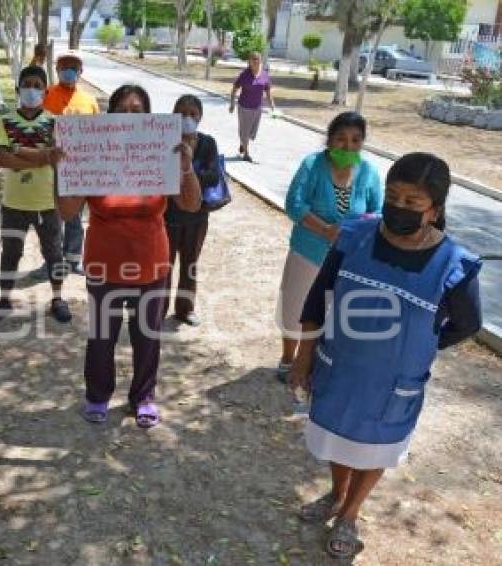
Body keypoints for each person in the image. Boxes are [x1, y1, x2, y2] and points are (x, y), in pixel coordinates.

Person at [289, 153, 482, 560]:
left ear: (435, 210)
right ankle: (336, 493)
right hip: (337, 368)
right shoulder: (354, 235)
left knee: (373, 449)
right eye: (393, 197)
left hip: (394, 386)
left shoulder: (453, 264)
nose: (399, 208)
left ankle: (350, 516)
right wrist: (303, 359)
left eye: (413, 203)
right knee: (335, 441)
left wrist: (424, 345)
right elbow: (316, 302)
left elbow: (466, 324)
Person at [57, 85, 201, 428]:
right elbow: (66, 212)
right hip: (104, 262)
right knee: (102, 336)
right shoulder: (93, 156)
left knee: (147, 335)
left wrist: (185, 166)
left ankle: (143, 397)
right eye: (122, 110)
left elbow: (191, 204)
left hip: (151, 261)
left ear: (149, 118)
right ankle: (97, 394)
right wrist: (62, 171)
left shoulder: (161, 153)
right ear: (110, 118)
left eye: (138, 111)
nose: (130, 116)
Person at [278, 112, 383, 380]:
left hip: (346, 258)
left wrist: (352, 230)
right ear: (329, 140)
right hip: (308, 251)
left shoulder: (369, 172)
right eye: (341, 139)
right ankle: (289, 358)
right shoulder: (312, 165)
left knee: (331, 311)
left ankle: (313, 360)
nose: (348, 146)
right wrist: (325, 229)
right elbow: (295, 204)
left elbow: (378, 211)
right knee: (295, 304)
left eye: (356, 141)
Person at [0, 65, 72, 324]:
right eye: (27, 85)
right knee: (10, 251)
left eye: (37, 86)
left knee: (54, 253)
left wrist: (22, 153)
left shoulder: (56, 124)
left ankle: (58, 298)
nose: (31, 90)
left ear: (45, 92)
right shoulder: (3, 122)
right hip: (14, 202)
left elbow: (60, 160)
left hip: (47, 202)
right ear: (17, 90)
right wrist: (44, 157)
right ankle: (4, 298)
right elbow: (2, 159)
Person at [31, 51, 100, 279]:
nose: (68, 70)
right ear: (57, 69)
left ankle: (73, 259)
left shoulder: (90, 101)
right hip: (49, 166)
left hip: (78, 168)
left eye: (73, 67)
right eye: (64, 66)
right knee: (51, 217)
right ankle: (51, 260)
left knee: (75, 217)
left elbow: (98, 133)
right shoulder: (45, 94)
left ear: (81, 72)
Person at [162, 94, 220, 327]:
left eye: (192, 114)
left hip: (197, 218)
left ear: (200, 117)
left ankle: (185, 309)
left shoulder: (207, 143)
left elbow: (214, 175)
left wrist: (190, 174)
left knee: (190, 264)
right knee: (164, 266)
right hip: (167, 217)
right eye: (181, 113)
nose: (187, 118)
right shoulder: (164, 141)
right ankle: (158, 309)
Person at [229, 51, 275, 162]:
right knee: (245, 130)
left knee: (252, 132)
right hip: (244, 107)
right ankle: (246, 153)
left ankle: (243, 143)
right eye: (252, 59)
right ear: (249, 62)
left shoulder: (264, 75)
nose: (255, 61)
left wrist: (272, 104)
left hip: (257, 107)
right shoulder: (245, 75)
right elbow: (235, 88)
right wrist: (232, 103)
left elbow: (268, 91)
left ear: (260, 60)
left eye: (257, 59)